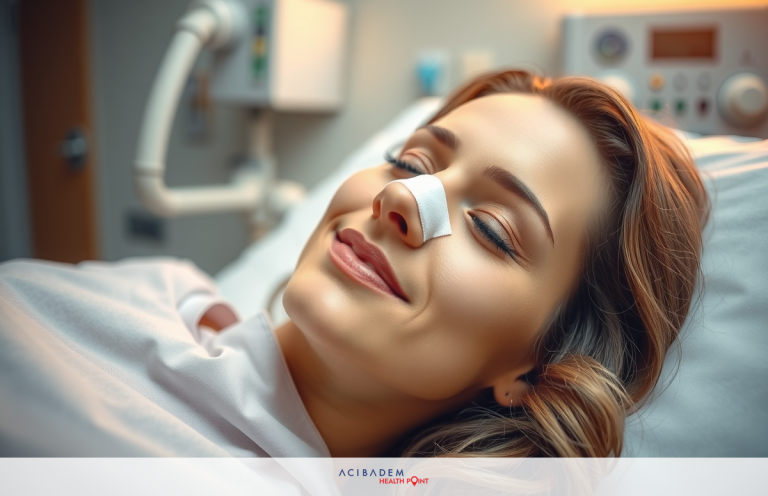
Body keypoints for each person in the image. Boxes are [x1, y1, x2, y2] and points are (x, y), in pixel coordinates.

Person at [0, 70, 707, 458]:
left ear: (535, 367)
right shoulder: (168, 289)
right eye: (410, 162)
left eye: (490, 229)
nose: (401, 196)